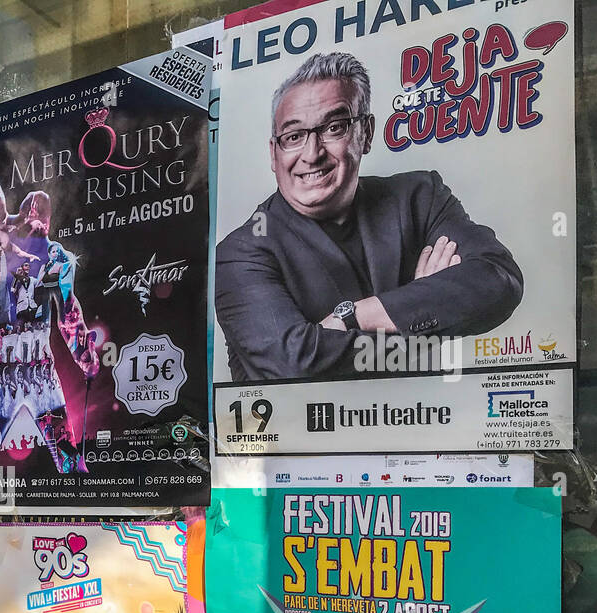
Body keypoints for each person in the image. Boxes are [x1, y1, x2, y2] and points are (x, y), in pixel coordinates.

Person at [215, 52, 523, 383]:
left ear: (367, 133)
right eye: (293, 137)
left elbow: (498, 280)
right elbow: (295, 366)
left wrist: (350, 319)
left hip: (424, 423)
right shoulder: (240, 253)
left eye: (334, 127)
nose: (311, 154)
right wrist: (420, 303)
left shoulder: (419, 197)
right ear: (273, 155)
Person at [0, 116, 100, 475]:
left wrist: (85, 356)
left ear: (48, 220)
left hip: (39, 369)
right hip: (7, 367)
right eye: (31, 209)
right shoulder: (5, 239)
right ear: (24, 215)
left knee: (69, 460)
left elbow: (69, 313)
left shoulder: (57, 258)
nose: (35, 214)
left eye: (42, 210)